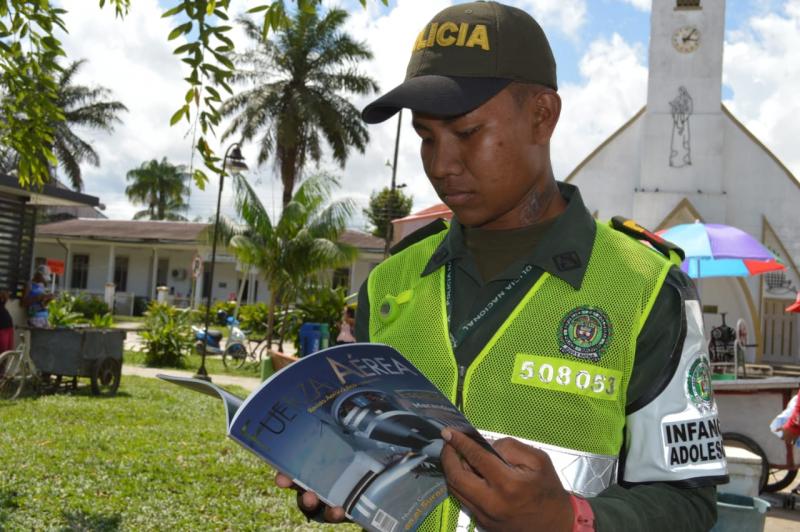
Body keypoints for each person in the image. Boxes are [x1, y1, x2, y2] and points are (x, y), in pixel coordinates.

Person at [276, 2, 727, 531]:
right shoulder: (392, 282)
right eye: (426, 136)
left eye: (466, 133)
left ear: (542, 116)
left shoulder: (647, 289)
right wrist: (339, 479)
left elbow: (689, 506)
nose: (441, 165)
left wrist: (570, 519)